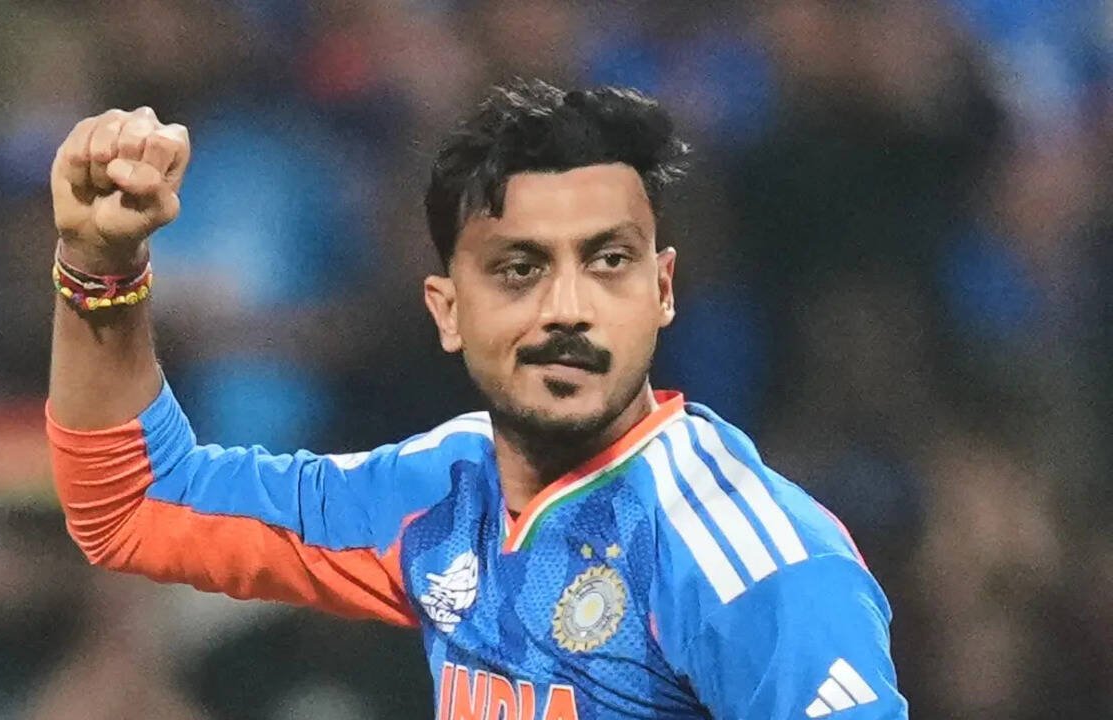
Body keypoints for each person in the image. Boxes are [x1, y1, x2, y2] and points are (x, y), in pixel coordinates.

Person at [46, 80, 907, 719]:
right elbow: (135, 503)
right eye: (519, 268)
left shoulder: (756, 563)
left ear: (662, 289)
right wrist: (99, 265)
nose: (567, 308)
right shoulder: (442, 492)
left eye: (609, 261)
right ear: (449, 311)